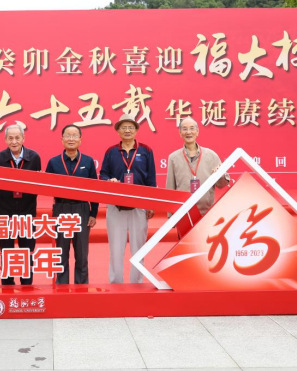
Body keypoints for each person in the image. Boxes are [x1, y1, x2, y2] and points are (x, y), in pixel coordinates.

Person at [100, 114, 156, 284]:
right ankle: (116, 283)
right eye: (123, 127)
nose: (127, 130)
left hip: (139, 205)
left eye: (130, 127)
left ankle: (137, 283)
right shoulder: (111, 151)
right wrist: (109, 180)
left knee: (138, 248)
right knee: (116, 248)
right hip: (116, 206)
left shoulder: (146, 150)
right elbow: (103, 174)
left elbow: (151, 179)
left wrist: (151, 204)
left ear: (136, 130)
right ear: (118, 131)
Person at [45, 124, 99, 284]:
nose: (71, 139)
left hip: (82, 208)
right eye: (67, 135)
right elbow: (46, 186)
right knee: (61, 251)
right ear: (62, 139)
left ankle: (81, 286)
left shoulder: (88, 161)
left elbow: (95, 189)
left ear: (80, 140)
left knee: (82, 253)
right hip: (61, 208)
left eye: (74, 136)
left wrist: (93, 213)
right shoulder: (54, 162)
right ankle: (61, 286)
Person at [0, 125, 42, 285]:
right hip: (6, 212)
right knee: (6, 250)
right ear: (5, 140)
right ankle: (7, 284)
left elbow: (37, 185)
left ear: (23, 139)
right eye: (10, 138)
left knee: (27, 251)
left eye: (17, 138)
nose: (14, 141)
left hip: (27, 212)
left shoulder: (34, 157)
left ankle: (26, 284)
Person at [166, 117, 229, 216]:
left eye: (192, 128)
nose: (188, 132)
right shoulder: (173, 158)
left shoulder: (211, 155)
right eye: (184, 129)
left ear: (197, 131)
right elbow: (170, 189)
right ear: (180, 133)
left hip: (207, 213)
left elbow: (221, 185)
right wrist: (171, 215)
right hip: (183, 214)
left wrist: (220, 174)